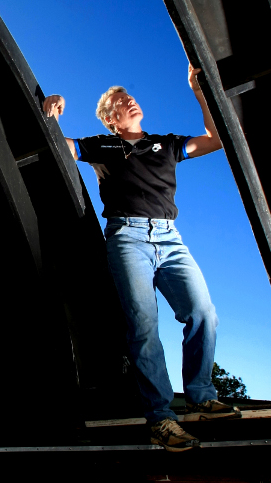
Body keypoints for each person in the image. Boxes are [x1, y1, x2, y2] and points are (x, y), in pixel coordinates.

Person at [44, 64, 237, 452]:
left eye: (129, 97)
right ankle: (161, 419)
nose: (128, 100)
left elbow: (217, 138)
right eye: (119, 102)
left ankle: (200, 394)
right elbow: (56, 142)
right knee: (144, 324)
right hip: (127, 238)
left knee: (202, 311)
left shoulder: (166, 144)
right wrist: (48, 107)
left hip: (170, 239)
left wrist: (199, 92)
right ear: (112, 119)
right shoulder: (102, 145)